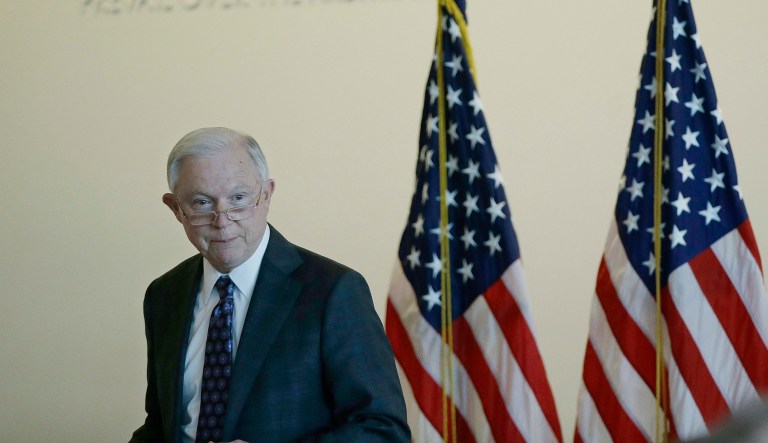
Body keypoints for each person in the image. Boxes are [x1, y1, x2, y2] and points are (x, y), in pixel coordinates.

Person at [130, 127, 410, 443]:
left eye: (238, 198)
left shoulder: (333, 290)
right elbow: (160, 425)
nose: (222, 220)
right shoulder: (165, 294)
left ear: (267, 195)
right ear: (175, 209)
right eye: (202, 202)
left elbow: (382, 429)